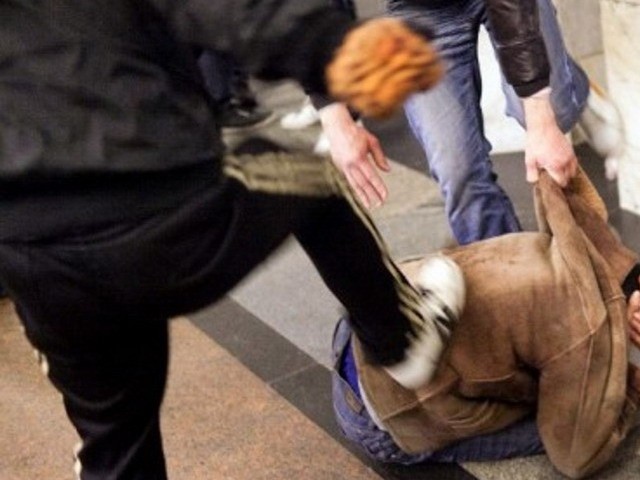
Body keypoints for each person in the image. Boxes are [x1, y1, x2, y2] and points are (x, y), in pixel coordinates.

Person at [0, 1, 456, 478]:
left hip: (37, 255)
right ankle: (401, 337)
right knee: (313, 164)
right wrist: (336, 49)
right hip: (162, 209)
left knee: (114, 441)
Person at [331, 172, 640, 479]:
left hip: (358, 327)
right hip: (376, 414)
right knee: (569, 424)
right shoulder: (587, 326)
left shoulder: (559, 249)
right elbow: (576, 458)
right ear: (633, 316)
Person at [318, 0, 622, 245]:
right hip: (418, 11)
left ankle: (567, 83)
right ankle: (513, 281)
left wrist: (541, 114)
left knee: (554, 111)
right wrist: (334, 118)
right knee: (457, 172)